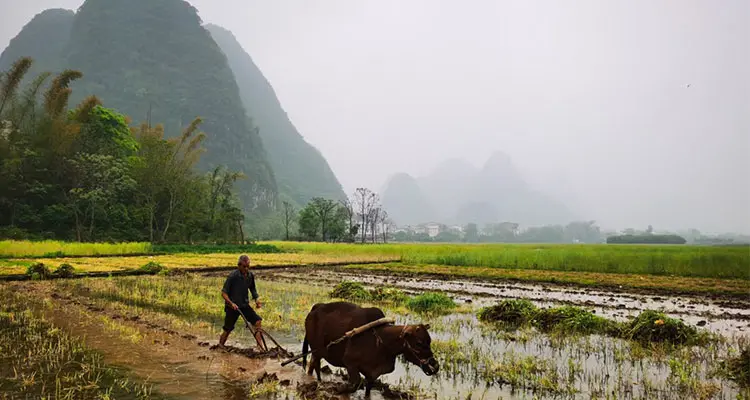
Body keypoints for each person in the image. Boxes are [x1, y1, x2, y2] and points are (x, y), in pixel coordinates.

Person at [219, 254, 265, 350]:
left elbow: (253, 289)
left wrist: (256, 299)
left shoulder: (250, 275)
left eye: (248, 266)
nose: (246, 269)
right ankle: (220, 346)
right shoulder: (233, 276)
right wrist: (231, 303)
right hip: (232, 307)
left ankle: (260, 346)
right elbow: (224, 293)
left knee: (257, 322)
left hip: (244, 305)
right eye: (244, 266)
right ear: (239, 265)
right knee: (227, 329)